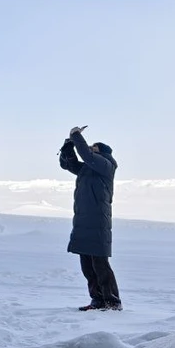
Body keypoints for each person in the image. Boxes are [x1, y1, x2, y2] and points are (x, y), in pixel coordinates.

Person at [59, 127, 122, 311]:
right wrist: (68, 145)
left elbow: (86, 154)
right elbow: (68, 164)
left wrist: (76, 135)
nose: (90, 148)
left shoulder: (106, 165)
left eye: (94, 147)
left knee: (100, 264)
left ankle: (112, 302)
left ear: (102, 152)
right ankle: (98, 300)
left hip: (97, 221)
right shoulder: (88, 169)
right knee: (87, 265)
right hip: (83, 221)